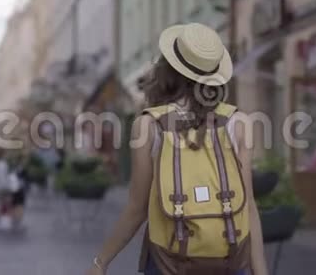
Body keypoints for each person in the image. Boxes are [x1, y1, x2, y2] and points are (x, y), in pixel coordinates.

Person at [87, 24, 268, 275]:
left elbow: (136, 210)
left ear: (167, 70)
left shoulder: (150, 124)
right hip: (229, 261)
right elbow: (248, 206)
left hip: (169, 262)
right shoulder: (238, 122)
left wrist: (101, 261)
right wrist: (261, 271)